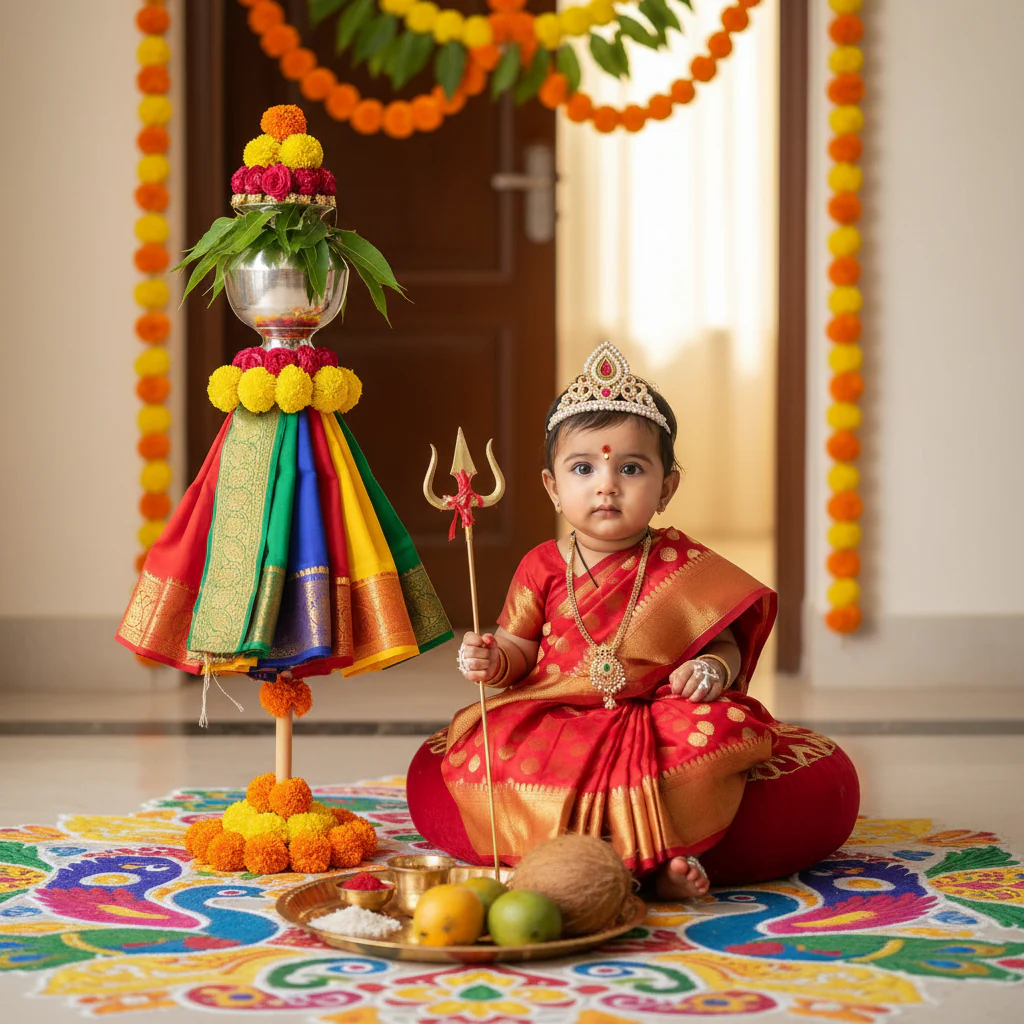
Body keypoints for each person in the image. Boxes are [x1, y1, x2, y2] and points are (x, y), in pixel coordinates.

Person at [407, 343, 859, 897]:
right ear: (553, 487)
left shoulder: (683, 564)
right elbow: (517, 649)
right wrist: (493, 660)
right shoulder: (541, 565)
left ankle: (655, 863)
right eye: (583, 468)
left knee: (720, 732)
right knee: (487, 745)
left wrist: (711, 670)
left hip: (655, 710)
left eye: (631, 468)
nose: (607, 484)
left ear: (666, 488)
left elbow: (725, 643)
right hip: (556, 709)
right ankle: (600, 865)